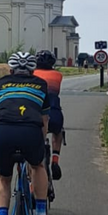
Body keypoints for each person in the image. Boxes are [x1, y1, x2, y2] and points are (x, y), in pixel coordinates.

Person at [0, 52, 51, 215]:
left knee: (3, 178)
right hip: (30, 132)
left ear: (10, 69)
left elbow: (0, 109)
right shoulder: (41, 85)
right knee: (37, 166)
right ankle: (41, 213)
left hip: (4, 131)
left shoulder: (1, 83)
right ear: (33, 70)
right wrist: (40, 142)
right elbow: (44, 119)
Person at [32, 50, 64, 182]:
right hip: (53, 112)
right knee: (58, 131)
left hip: (35, 113)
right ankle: (55, 160)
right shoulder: (58, 75)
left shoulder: (32, 75)